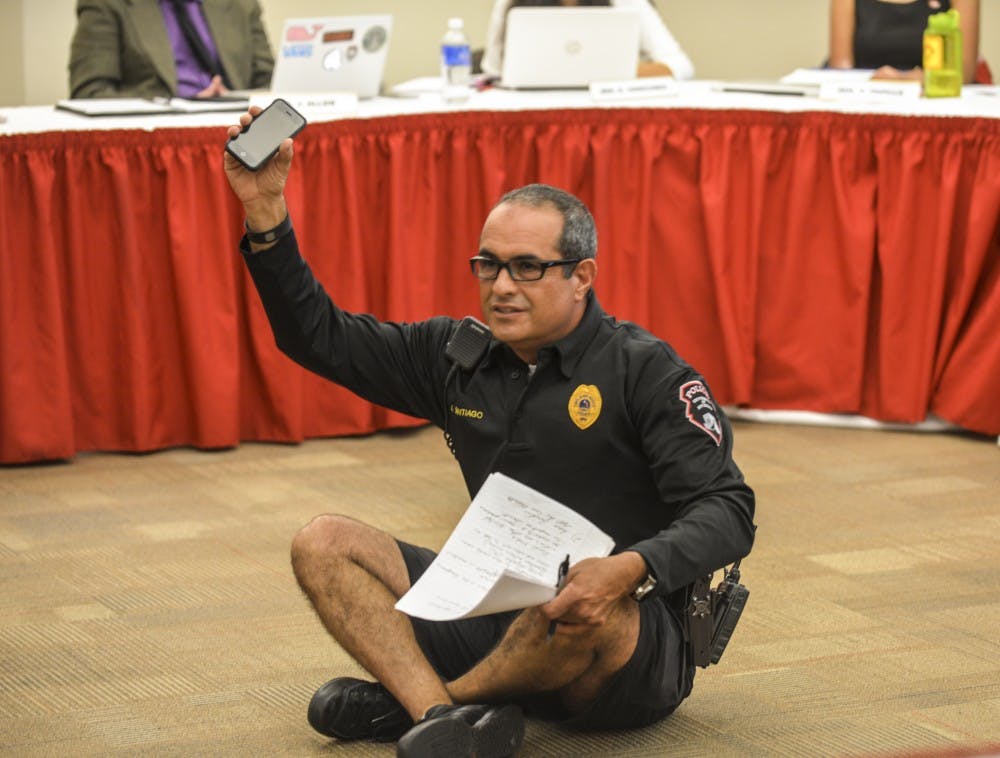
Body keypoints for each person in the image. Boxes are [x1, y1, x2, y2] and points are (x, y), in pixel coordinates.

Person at [222, 109, 754, 757]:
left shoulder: (645, 372)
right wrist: (265, 213)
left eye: (528, 268)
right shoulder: (455, 357)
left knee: (584, 605)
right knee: (323, 544)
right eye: (489, 265)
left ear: (581, 277)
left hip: (620, 641)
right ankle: (441, 719)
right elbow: (319, 338)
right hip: (496, 607)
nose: (502, 287)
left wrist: (626, 569)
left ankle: (429, 706)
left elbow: (729, 512)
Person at [68, 0, 274, 99]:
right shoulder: (107, 4)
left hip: (238, 130)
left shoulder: (241, 4)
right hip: (159, 143)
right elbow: (89, 93)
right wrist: (179, 104)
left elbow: (270, 83)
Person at [480, 0, 695, 80]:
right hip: (531, 116)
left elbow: (681, 66)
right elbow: (492, 70)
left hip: (606, 113)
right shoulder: (510, 4)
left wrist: (617, 71)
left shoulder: (627, 3)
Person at [828, 0, 984, 84]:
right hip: (867, 97)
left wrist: (910, 80)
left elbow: (964, 70)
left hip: (934, 97)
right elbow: (841, 69)